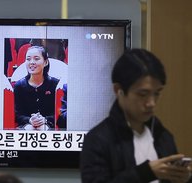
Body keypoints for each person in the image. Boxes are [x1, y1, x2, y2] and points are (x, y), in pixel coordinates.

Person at [81, 49, 192, 183]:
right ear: (118, 90)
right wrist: (146, 173)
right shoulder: (97, 140)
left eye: (156, 93)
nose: (151, 103)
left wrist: (184, 179)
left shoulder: (163, 136)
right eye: (142, 94)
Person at [14, 45, 59, 130]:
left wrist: (45, 119)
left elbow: (59, 112)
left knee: (43, 129)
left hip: (49, 125)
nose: (32, 62)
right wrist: (29, 120)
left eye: (36, 59)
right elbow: (16, 114)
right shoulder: (19, 86)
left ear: (45, 62)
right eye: (28, 59)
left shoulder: (55, 84)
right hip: (25, 126)